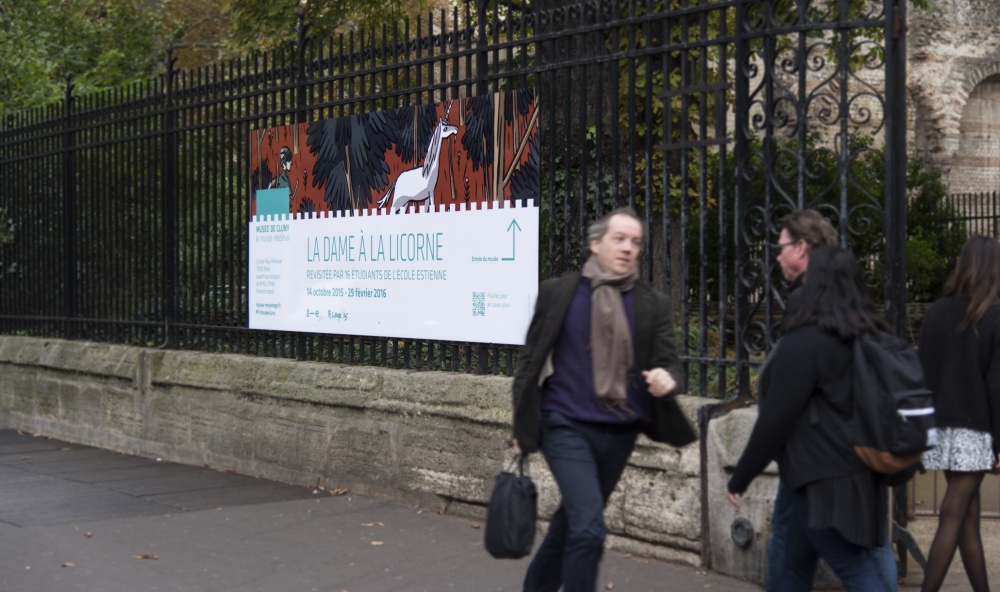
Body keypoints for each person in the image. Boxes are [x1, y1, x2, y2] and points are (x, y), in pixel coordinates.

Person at [510, 207, 695, 592]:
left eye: (636, 242)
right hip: (565, 426)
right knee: (590, 528)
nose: (628, 248)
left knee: (572, 525)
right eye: (619, 239)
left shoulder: (650, 304)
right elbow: (529, 365)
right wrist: (521, 427)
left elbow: (670, 365)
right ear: (596, 244)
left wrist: (667, 379)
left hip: (620, 431)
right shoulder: (558, 292)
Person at [727, 246, 892, 592]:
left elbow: (775, 419)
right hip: (858, 472)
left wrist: (740, 477)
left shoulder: (807, 340)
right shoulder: (869, 334)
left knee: (856, 569)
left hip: (820, 479)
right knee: (789, 564)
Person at [918, 236, 1000, 592]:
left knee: (967, 517)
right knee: (953, 514)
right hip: (974, 429)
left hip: (939, 426)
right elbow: (996, 386)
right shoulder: (994, 314)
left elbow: (923, 371)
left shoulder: (936, 311)